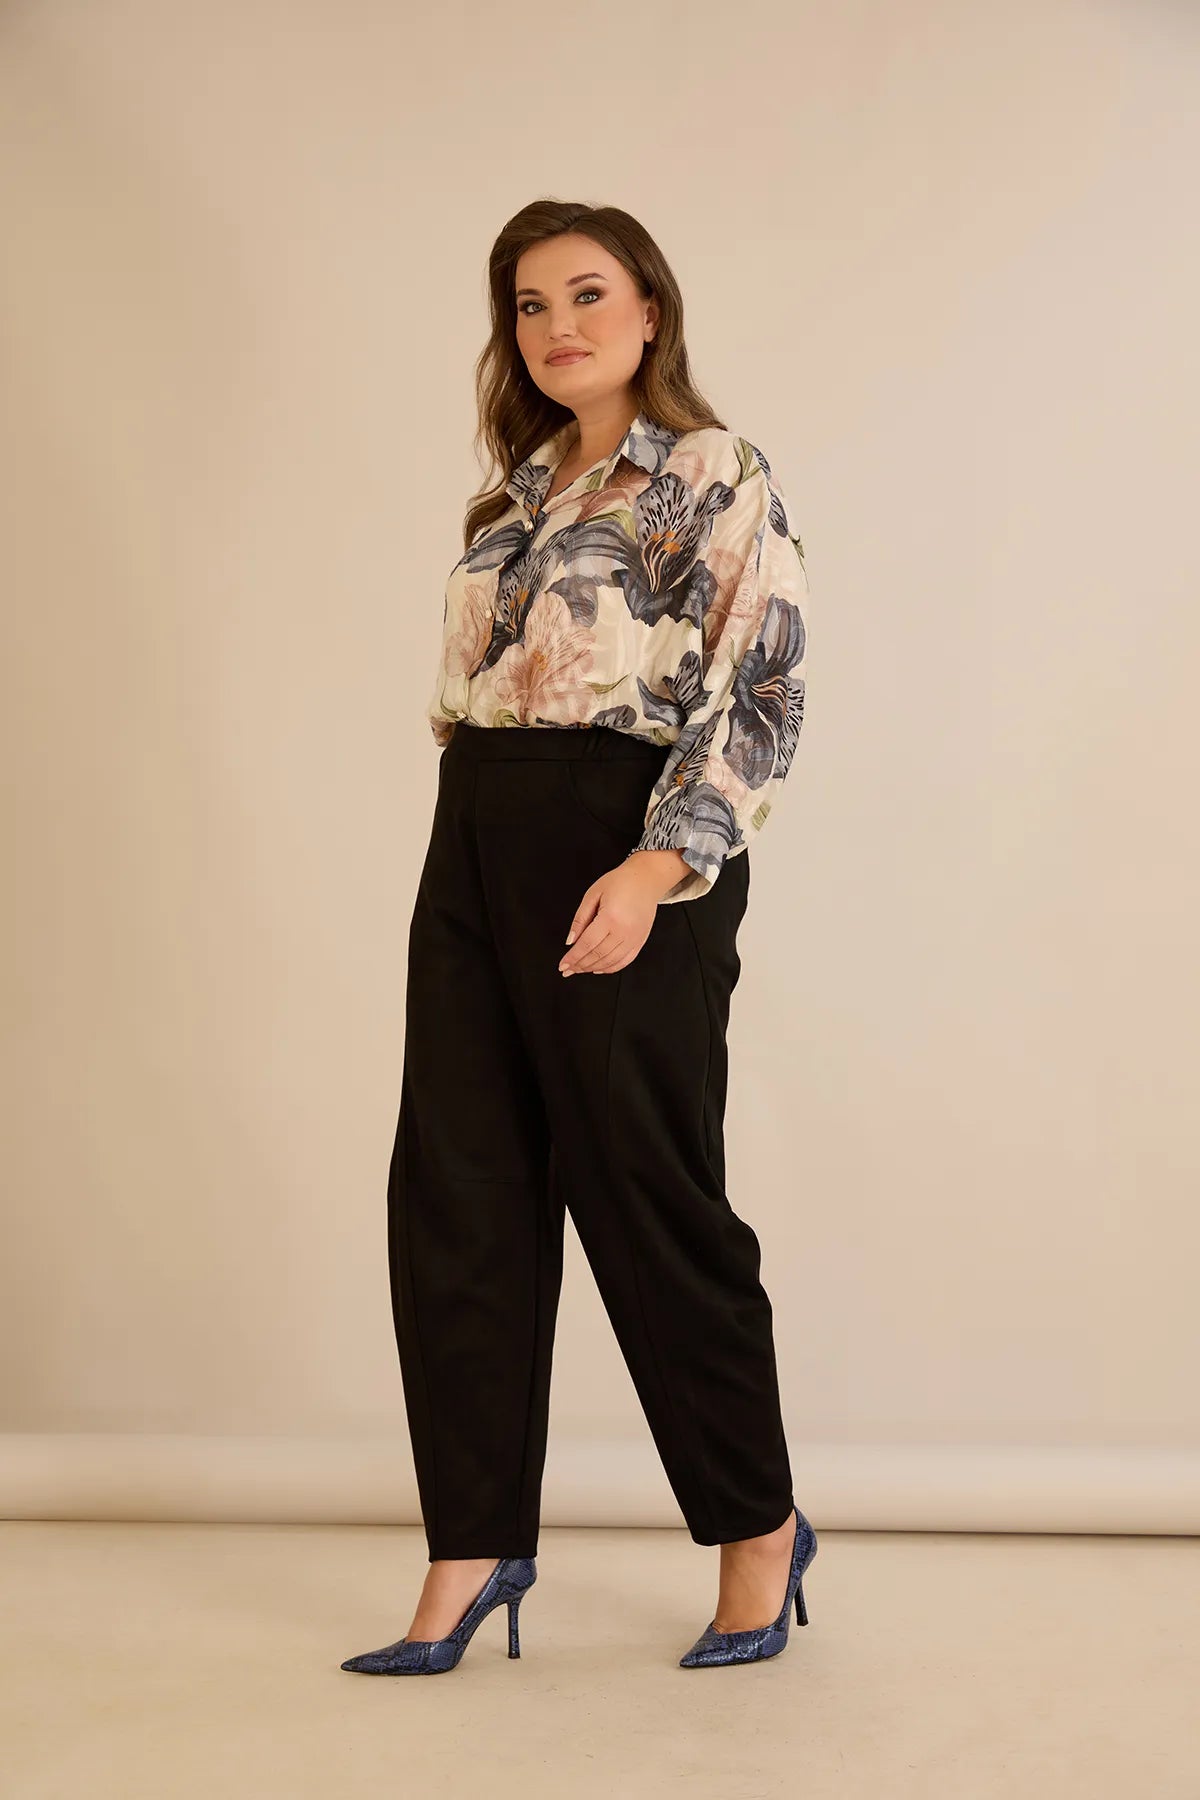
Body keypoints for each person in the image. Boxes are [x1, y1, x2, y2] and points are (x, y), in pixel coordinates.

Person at [341, 200, 817, 1678]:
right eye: (531, 305)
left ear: (651, 308)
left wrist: (657, 864)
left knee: (645, 1191)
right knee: (458, 1189)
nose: (558, 326)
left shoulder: (713, 472)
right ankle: (472, 1546)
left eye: (588, 294)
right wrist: (478, 841)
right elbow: (467, 698)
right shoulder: (514, 497)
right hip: (477, 832)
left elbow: (759, 684)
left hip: (631, 836)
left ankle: (758, 1529)